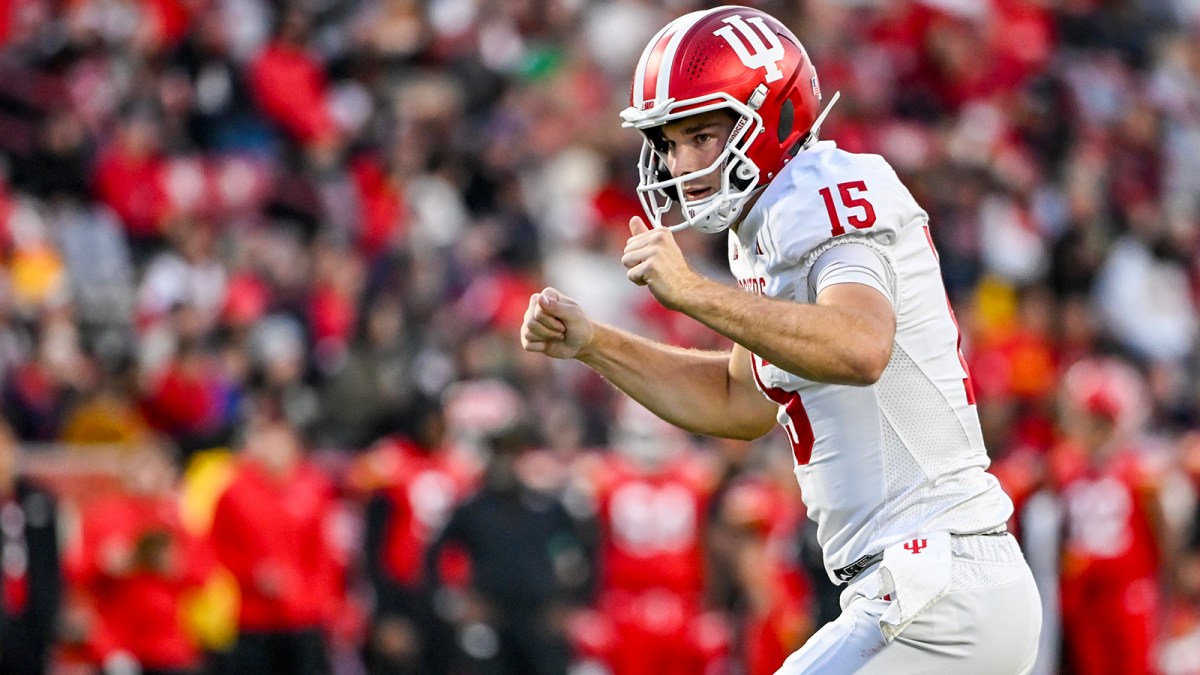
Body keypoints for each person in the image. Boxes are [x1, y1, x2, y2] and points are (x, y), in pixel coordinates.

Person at [520, 5, 1041, 673]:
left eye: (703, 134)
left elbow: (860, 346)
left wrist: (695, 294)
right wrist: (595, 342)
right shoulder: (771, 224)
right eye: (671, 142)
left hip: (937, 585)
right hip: (929, 587)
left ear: (773, 117)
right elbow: (739, 401)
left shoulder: (824, 189)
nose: (683, 161)